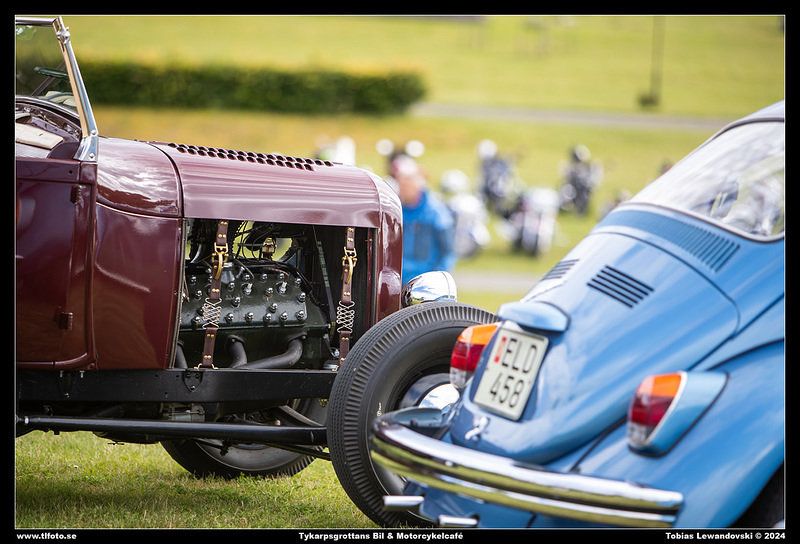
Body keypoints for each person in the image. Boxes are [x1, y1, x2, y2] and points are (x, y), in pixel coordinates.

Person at [393, 155, 456, 286]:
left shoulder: (436, 213)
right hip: (396, 280)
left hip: (425, 281)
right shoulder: (394, 210)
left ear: (418, 185)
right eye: (401, 184)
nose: (403, 189)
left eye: (408, 184)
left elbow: (447, 251)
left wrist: (437, 280)